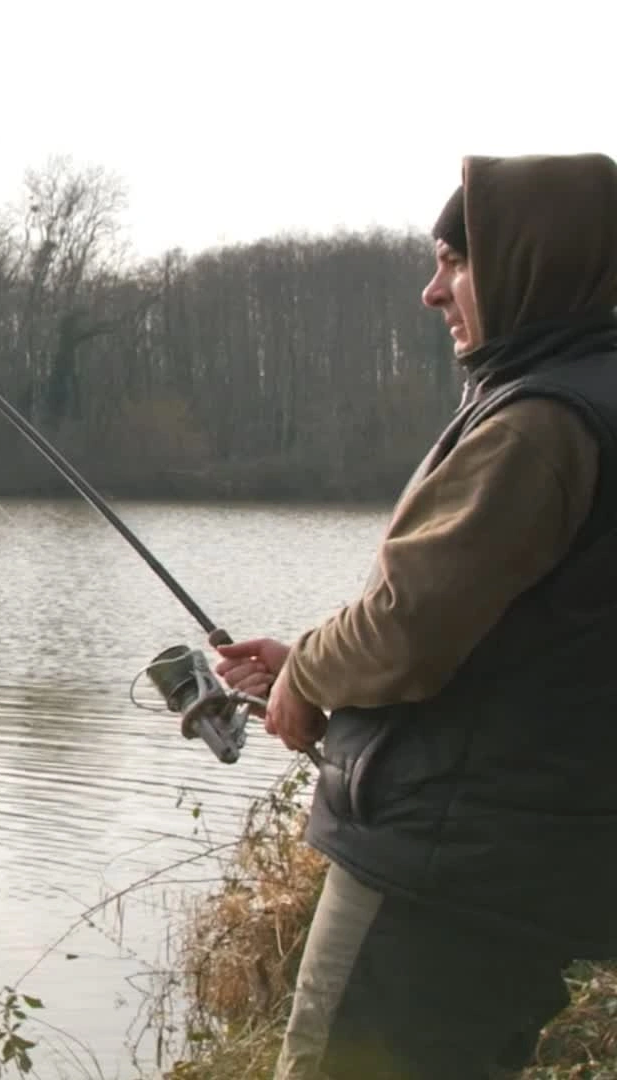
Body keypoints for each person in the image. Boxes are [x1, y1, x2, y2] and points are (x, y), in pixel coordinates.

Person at [214, 152, 617, 1080]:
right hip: (529, 859)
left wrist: (310, 674)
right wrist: (304, 661)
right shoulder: (589, 398)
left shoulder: (539, 424)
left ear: (528, 265)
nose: (432, 292)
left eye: (455, 262)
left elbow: (407, 627)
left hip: (446, 871)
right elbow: (524, 631)